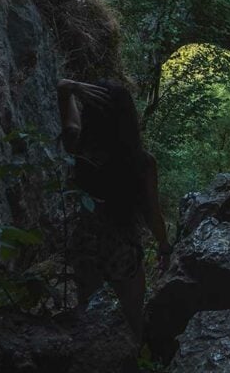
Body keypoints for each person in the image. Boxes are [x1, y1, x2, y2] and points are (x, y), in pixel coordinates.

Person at [56, 78, 172, 339]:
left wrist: (73, 88)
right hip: (123, 246)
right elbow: (152, 213)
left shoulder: (80, 149)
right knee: (134, 319)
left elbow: (66, 105)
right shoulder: (141, 162)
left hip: (86, 244)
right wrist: (164, 246)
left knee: (87, 315)